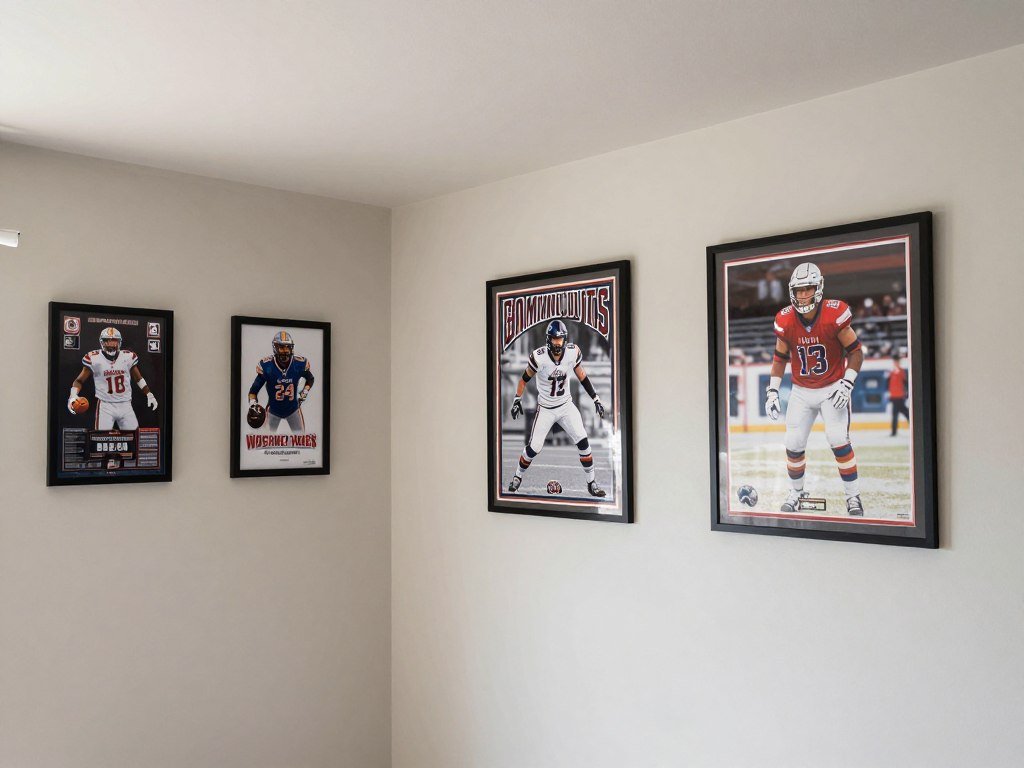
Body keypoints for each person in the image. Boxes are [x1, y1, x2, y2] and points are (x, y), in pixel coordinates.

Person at [765, 263, 865, 516]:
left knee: (838, 439)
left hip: (832, 388)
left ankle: (853, 498)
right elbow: (779, 358)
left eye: (807, 288)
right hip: (801, 390)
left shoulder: (834, 313)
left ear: (818, 288)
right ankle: (795, 493)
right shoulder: (785, 319)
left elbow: (855, 352)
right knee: (793, 442)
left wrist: (848, 382)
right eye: (798, 290)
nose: (802, 295)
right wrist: (772, 391)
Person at [508, 320, 606, 497]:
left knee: (583, 441)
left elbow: (582, 376)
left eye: (560, 339)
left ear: (565, 339)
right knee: (534, 448)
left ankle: (592, 483)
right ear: (548, 340)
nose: (557, 343)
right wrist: (517, 399)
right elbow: (523, 379)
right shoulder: (539, 357)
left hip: (566, 405)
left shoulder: (572, 353)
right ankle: (517, 476)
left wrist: (595, 398)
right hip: (546, 408)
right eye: (554, 339)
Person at [68, 326, 157, 430]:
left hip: (126, 404)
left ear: (119, 342)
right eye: (107, 341)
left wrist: (149, 394)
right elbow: (79, 380)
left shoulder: (128, 357)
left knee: (134, 439)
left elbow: (138, 378)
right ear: (102, 343)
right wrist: (73, 395)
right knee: (101, 439)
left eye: (114, 341)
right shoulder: (94, 358)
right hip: (106, 406)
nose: (111, 345)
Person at [248, 331, 314, 432]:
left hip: (293, 410)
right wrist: (253, 405)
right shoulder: (268, 366)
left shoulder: (298, 364)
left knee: (301, 441)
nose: (285, 350)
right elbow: (253, 391)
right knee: (267, 444)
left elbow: (310, 378)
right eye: (282, 347)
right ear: (275, 348)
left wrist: (305, 392)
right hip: (273, 411)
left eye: (288, 347)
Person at [887, 354, 910, 436]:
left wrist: (907, 393)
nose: (895, 363)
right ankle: (894, 432)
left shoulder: (902, 372)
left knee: (904, 411)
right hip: (893, 396)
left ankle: (911, 423)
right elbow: (889, 384)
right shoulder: (891, 372)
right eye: (895, 361)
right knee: (895, 414)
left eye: (897, 361)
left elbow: (906, 383)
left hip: (900, 396)